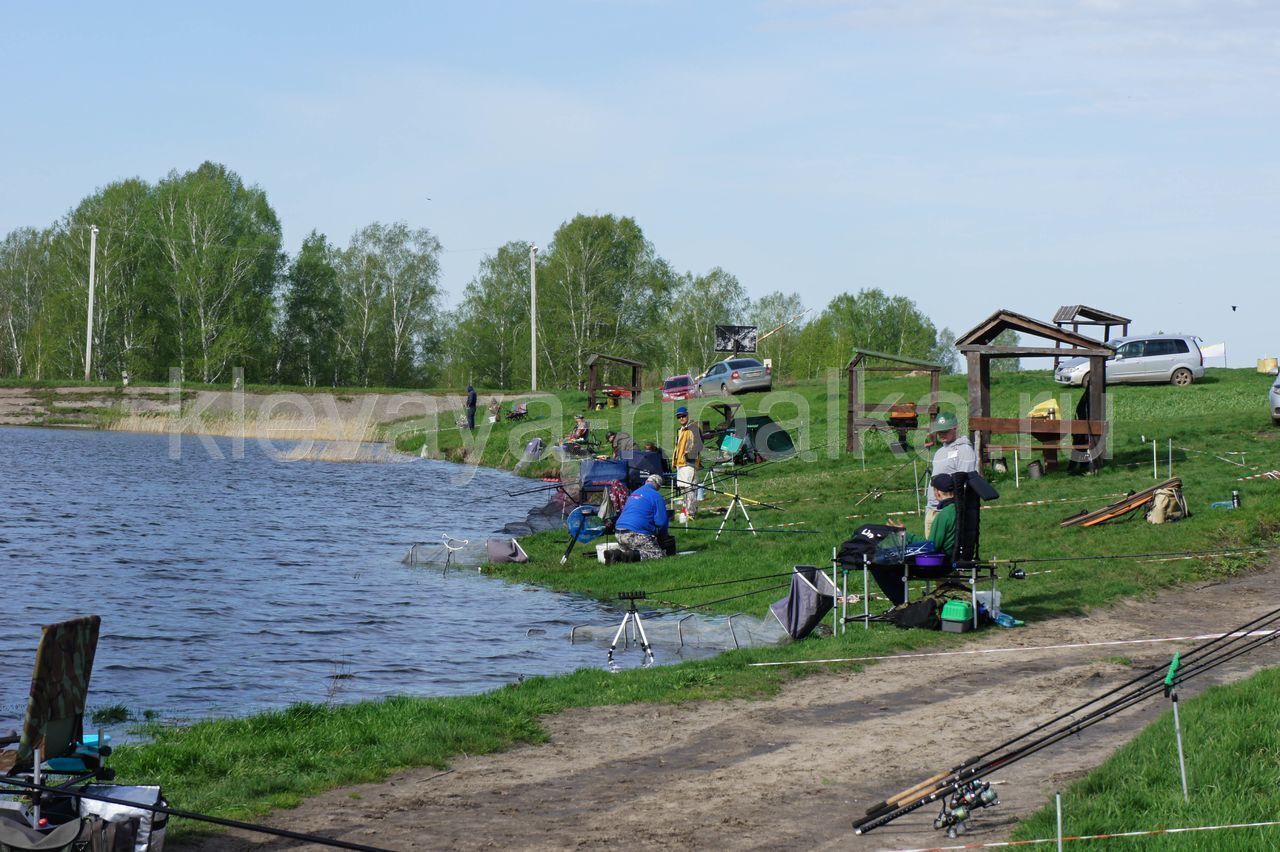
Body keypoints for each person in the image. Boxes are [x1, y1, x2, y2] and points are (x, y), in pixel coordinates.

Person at [869, 473, 959, 606]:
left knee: (879, 564)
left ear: (938, 493)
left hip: (939, 565)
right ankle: (902, 604)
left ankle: (901, 605)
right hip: (952, 560)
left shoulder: (944, 515)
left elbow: (931, 546)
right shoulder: (959, 510)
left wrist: (905, 536)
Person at [925, 411, 976, 537]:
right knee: (930, 553)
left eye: (945, 431)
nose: (942, 434)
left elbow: (963, 483)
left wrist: (953, 510)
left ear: (955, 428)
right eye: (939, 431)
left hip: (947, 511)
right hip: (932, 509)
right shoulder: (939, 452)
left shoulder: (964, 450)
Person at [614, 473, 669, 560]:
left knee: (626, 553)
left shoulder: (634, 493)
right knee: (658, 554)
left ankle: (616, 554)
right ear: (658, 486)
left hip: (618, 533)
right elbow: (661, 522)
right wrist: (664, 536)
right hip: (635, 533)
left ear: (646, 482)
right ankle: (630, 556)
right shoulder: (656, 495)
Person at [672, 406, 703, 519]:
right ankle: (687, 511)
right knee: (683, 488)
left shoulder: (693, 428)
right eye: (679, 417)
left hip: (689, 463)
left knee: (690, 488)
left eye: (683, 416)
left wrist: (689, 455)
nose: (681, 418)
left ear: (687, 415)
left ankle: (691, 513)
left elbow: (699, 445)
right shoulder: (680, 430)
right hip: (680, 464)